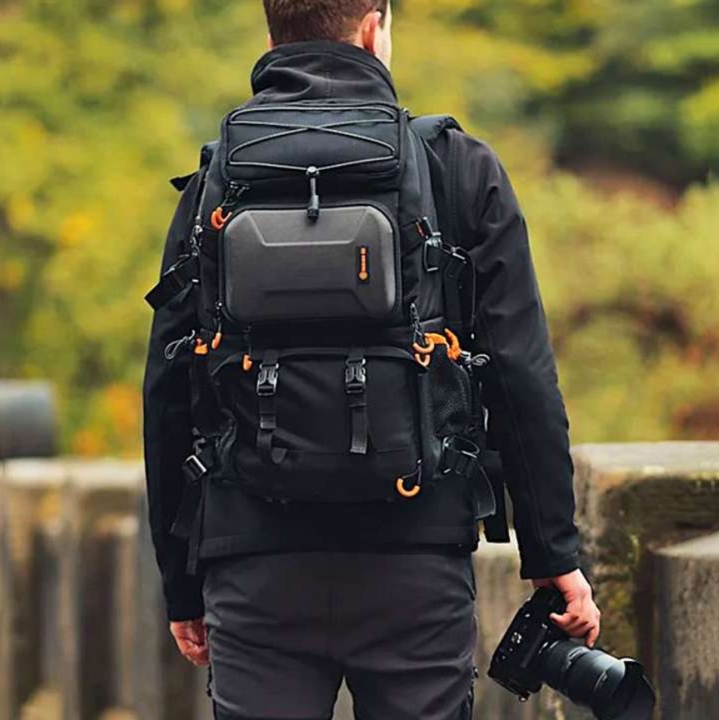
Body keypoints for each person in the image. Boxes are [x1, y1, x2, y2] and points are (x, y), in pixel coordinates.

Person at [142, 2, 601, 719]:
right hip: (414, 560)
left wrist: (182, 583)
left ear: (272, 38)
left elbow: (170, 388)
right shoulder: (456, 167)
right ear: (372, 30)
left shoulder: (217, 182)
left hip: (254, 560)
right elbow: (520, 374)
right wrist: (553, 556)